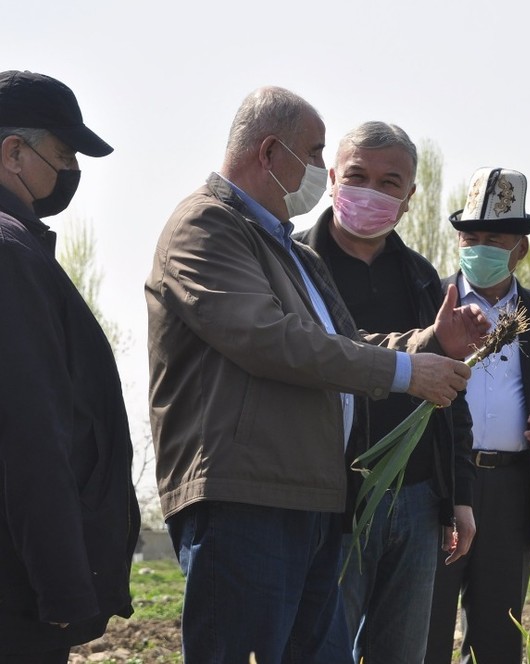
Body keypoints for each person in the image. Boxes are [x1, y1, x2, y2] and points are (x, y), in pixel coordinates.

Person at [145, 87, 486, 663]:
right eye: (313, 153)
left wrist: (430, 344)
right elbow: (269, 339)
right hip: (246, 495)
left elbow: (342, 345)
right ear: (269, 151)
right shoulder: (207, 224)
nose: (318, 169)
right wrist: (406, 372)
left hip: (307, 499)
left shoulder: (291, 253)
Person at [295, 121, 476, 663]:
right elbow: (316, 354)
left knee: (402, 652)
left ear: (409, 196)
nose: (370, 192)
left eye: (389, 182)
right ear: (332, 179)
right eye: (358, 177)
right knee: (321, 648)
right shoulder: (294, 263)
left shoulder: (422, 277)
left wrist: (459, 496)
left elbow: (451, 390)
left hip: (415, 497)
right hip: (327, 498)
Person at [0, 70, 140, 662]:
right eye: (62, 155)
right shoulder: (10, 253)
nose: (70, 171)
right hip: (15, 593)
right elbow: (30, 432)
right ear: (13, 153)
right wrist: (62, 585)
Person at [426, 167, 530, 664]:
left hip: (512, 488)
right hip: (439, 485)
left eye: (494, 241)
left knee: (498, 632)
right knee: (425, 624)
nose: (479, 249)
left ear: (521, 249)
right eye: (470, 238)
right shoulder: (431, 303)